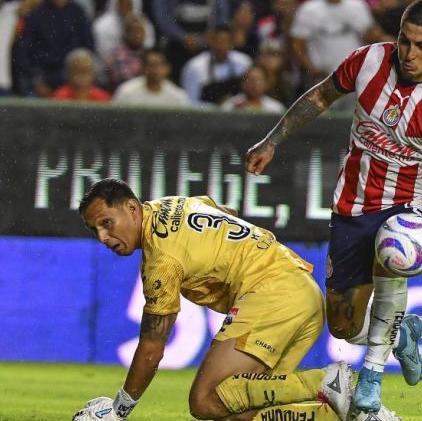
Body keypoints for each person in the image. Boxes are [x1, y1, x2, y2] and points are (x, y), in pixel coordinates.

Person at [245, 0, 422, 415]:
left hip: (409, 208)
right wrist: (272, 141)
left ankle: (372, 380)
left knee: (393, 252)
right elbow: (321, 96)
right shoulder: (367, 60)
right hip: (352, 206)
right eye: (404, 41)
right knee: (342, 324)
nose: (410, 54)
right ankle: (400, 334)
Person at [71, 178, 359, 421]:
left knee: (204, 399)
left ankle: (322, 382)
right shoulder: (176, 203)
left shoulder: (161, 258)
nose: (103, 237)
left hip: (271, 291)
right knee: (239, 410)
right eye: (95, 230)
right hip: (301, 289)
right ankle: (354, 415)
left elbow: (152, 347)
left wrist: (119, 411)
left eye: (107, 223)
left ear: (132, 208)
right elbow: (227, 212)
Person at [112, 49, 190, 107]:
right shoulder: (126, 91)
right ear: (142, 68)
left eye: (159, 65)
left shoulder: (178, 96)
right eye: (150, 65)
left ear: (167, 68)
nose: (155, 69)